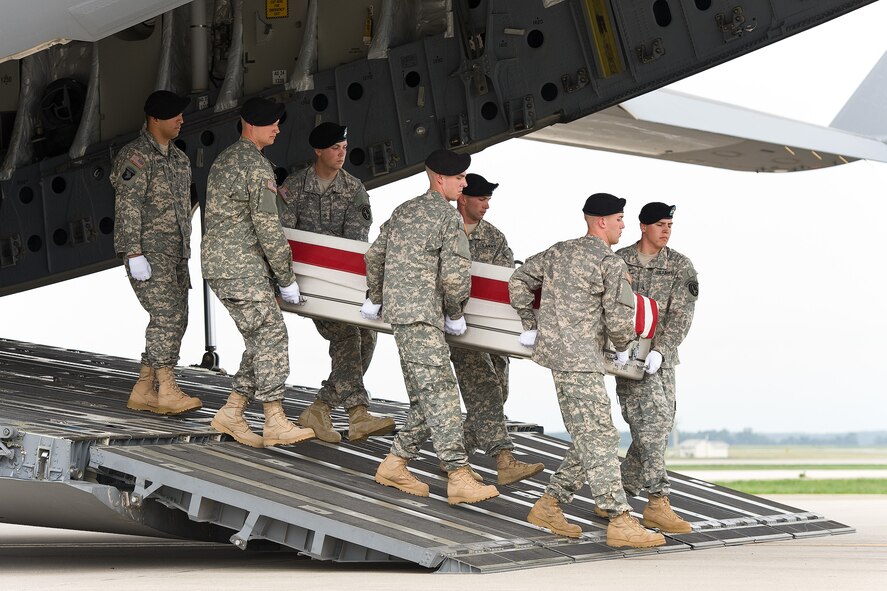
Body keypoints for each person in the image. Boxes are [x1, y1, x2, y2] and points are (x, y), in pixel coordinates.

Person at [508, 193, 664, 548]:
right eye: (620, 219)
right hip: (582, 362)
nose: (624, 226)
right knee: (599, 436)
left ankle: (550, 504)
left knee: (595, 435)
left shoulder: (559, 251)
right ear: (601, 222)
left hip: (558, 357)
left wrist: (531, 323)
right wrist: (625, 347)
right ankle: (619, 519)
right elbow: (621, 320)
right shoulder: (609, 264)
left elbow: (518, 280)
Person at [363, 149, 499, 506]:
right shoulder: (447, 217)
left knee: (427, 397)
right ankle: (457, 475)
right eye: (459, 179)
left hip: (401, 316)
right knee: (442, 393)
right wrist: (455, 312)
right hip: (425, 315)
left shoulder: (404, 210)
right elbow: (455, 275)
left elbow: (374, 255)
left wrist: (375, 296)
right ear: (440, 179)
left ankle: (395, 464)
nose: (465, 184)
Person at [201, 97, 315, 449]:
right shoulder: (256, 166)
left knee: (259, 338)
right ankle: (274, 418)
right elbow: (268, 228)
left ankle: (233, 412)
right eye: (273, 124)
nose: (278, 129)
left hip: (225, 265)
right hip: (240, 267)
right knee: (271, 336)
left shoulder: (227, 159)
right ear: (252, 126)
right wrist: (287, 278)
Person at [277, 122, 394, 443]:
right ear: (318, 151)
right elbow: (280, 238)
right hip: (304, 283)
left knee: (367, 336)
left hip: (342, 282)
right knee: (346, 336)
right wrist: (281, 284)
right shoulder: (295, 187)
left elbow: (357, 244)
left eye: (344, 147)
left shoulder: (354, 189)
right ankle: (358, 414)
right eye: (334, 149)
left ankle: (321, 408)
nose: (342, 154)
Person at [448, 173, 544, 485]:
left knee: (497, 392)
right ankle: (504, 460)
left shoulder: (494, 238)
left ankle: (454, 454)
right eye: (481, 198)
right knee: (486, 389)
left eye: (489, 199)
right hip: (454, 326)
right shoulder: (443, 227)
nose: (486, 205)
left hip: (489, 331)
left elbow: (507, 284)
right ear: (463, 199)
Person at [112, 90, 202, 415]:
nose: (181, 120)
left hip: (177, 254)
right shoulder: (136, 157)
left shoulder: (179, 160)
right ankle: (166, 389)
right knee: (167, 316)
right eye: (175, 115)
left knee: (179, 318)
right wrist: (132, 252)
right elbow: (128, 205)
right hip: (148, 255)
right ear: (155, 119)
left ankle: (143, 388)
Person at [612, 202, 698, 533]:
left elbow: (682, 315)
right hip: (628, 356)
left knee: (660, 425)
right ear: (643, 226)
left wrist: (661, 349)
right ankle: (657, 501)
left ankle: (618, 493)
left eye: (670, 225)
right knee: (652, 421)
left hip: (662, 358)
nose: (666, 230)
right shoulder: (618, 261)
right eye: (660, 224)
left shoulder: (679, 265)